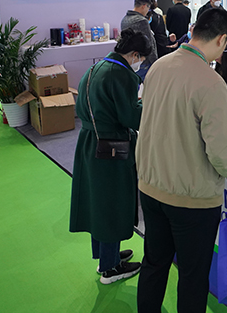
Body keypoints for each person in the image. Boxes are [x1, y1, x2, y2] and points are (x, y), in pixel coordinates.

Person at [136, 7, 227, 313]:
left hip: (150, 186)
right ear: (222, 39)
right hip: (191, 198)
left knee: (154, 262)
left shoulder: (159, 65)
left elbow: (162, 118)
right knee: (193, 275)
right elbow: (220, 153)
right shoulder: (211, 81)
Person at [69, 29, 152, 284]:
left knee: (99, 204)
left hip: (90, 143)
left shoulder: (97, 67)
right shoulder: (121, 74)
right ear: (135, 54)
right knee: (112, 204)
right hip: (111, 147)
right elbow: (131, 116)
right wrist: (152, 106)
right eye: (141, 59)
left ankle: (108, 255)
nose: (141, 64)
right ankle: (110, 267)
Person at [120, 0, 158, 79]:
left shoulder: (124, 19)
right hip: (143, 62)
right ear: (144, 6)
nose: (148, 11)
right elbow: (149, 43)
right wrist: (155, 62)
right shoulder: (141, 21)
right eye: (148, 8)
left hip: (130, 60)